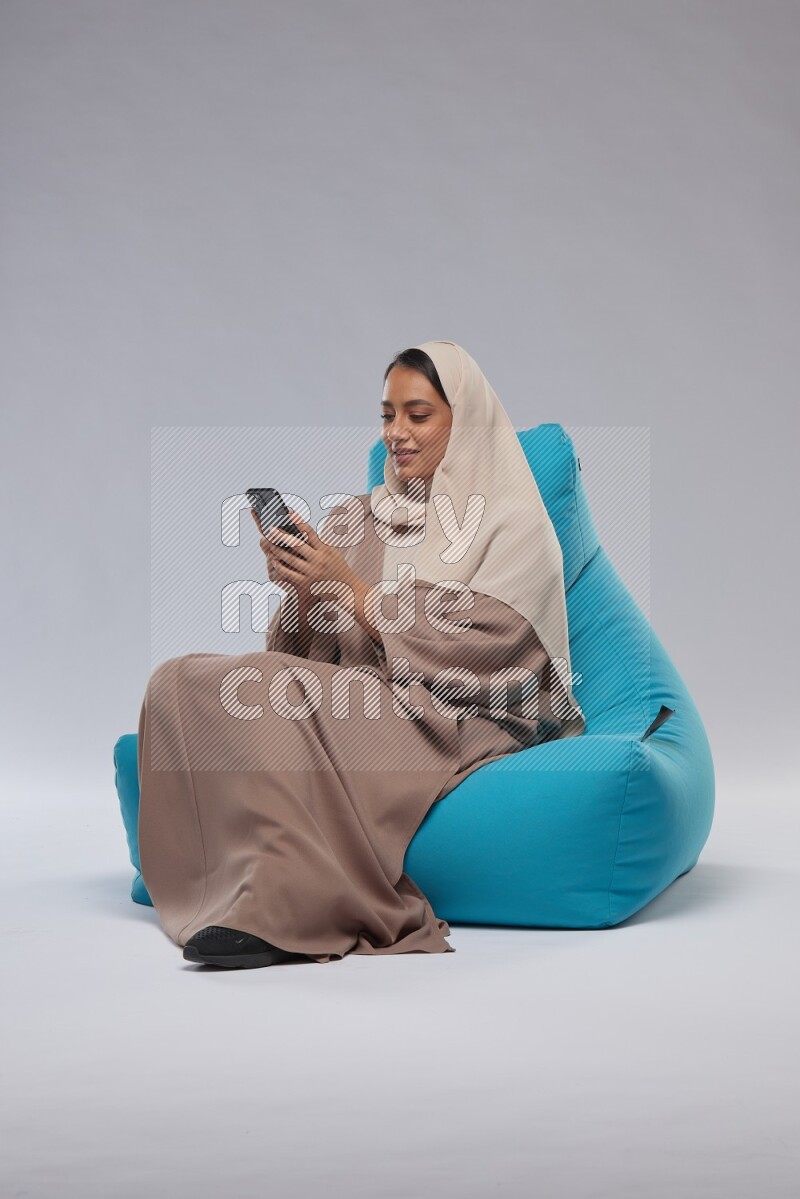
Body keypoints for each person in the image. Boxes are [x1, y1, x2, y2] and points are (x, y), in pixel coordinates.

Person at [136, 340, 585, 969]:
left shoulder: (513, 524)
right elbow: (302, 654)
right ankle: (213, 885)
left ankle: (284, 911)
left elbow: (496, 649)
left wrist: (352, 592)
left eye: (418, 415)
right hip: (360, 695)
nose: (396, 433)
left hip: (452, 713)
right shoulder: (358, 518)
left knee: (273, 691)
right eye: (386, 415)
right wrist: (303, 593)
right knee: (177, 681)